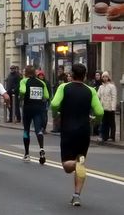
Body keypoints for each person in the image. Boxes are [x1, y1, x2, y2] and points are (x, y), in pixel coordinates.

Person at [51, 63, 104, 207]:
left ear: (71, 75)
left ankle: (76, 164)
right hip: (83, 131)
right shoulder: (91, 90)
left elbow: (54, 104)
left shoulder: (64, 87)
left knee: (67, 167)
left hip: (68, 130)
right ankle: (76, 195)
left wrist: (56, 115)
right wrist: (95, 121)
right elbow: (99, 112)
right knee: (81, 162)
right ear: (85, 76)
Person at [19, 65, 50, 164]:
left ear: (26, 73)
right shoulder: (41, 82)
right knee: (38, 130)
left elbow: (22, 91)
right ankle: (41, 149)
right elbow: (46, 96)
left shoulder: (24, 81)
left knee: (26, 130)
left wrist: (22, 96)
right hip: (38, 109)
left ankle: (27, 154)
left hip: (28, 108)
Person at [97, 71, 117, 142]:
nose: (105, 78)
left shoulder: (112, 86)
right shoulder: (101, 87)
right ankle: (104, 136)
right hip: (103, 107)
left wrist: (113, 107)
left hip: (110, 107)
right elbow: (98, 96)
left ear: (108, 77)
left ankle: (112, 137)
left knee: (111, 123)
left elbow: (114, 97)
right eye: (103, 77)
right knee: (104, 122)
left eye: (106, 76)